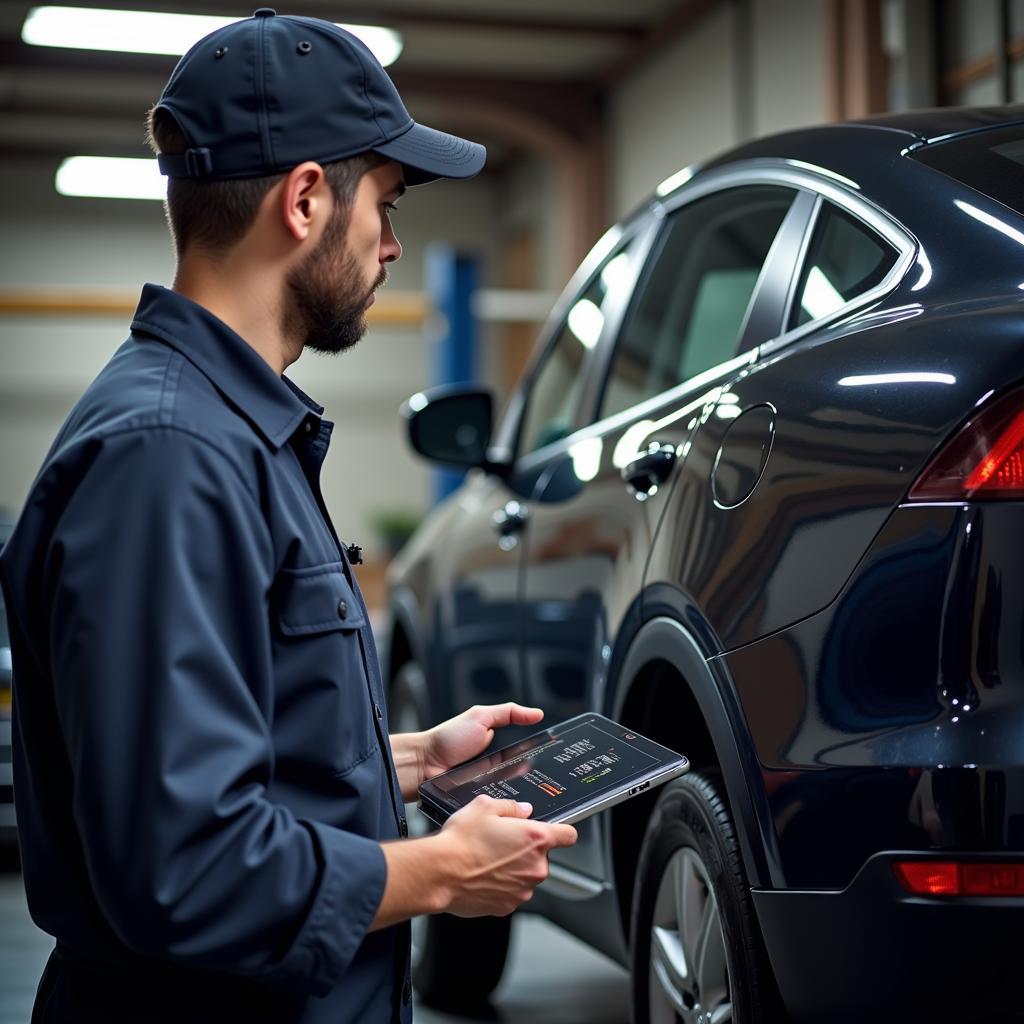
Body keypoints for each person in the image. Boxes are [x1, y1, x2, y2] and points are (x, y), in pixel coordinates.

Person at [0, 10, 577, 1023]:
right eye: (385, 205)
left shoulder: (225, 433)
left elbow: (227, 748)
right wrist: (440, 872)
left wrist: (398, 758)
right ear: (306, 199)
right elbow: (184, 864)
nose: (393, 245)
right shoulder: (169, 457)